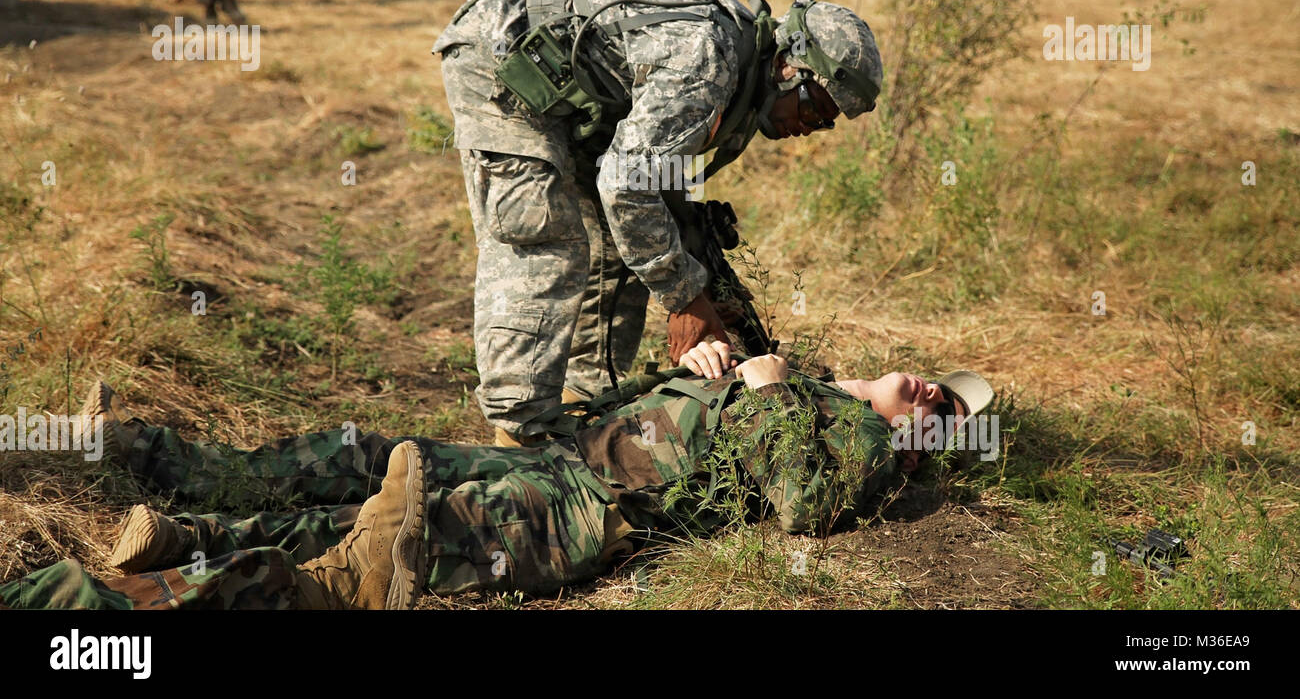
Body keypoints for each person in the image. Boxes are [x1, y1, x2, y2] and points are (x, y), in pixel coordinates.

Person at [0, 346, 993, 609]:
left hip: (586, 504)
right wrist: (702, 371)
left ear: (921, 444)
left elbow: (803, 506)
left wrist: (772, 391)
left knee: (383, 549)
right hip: (563, 457)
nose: (929, 389)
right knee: (350, 466)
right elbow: (673, 425)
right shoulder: (814, 391)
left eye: (942, 409)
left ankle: (162, 576)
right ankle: (149, 483)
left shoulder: (853, 445)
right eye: (937, 380)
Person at [432, 0, 884, 445]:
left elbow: (661, 192)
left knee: (623, 251)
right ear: (787, 67)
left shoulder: (735, 77)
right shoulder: (707, 63)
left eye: (827, 123)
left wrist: (710, 289)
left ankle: (583, 407)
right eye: (815, 106)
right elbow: (628, 187)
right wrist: (684, 298)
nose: (813, 126)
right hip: (499, 60)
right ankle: (518, 441)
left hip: (568, 88)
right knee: (545, 241)